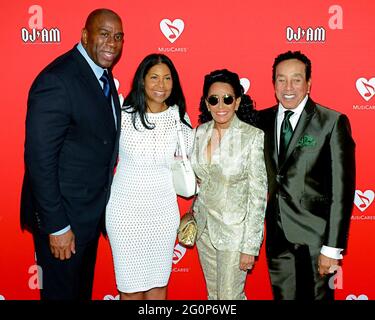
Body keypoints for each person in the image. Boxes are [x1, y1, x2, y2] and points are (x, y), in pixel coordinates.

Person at [20, 9, 124, 300]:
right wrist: (57, 226)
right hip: (63, 220)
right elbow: (40, 160)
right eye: (104, 34)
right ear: (84, 35)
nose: (112, 43)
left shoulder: (100, 76)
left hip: (88, 218)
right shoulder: (59, 79)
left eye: (118, 37)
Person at [257, 51, 356, 300]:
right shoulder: (261, 120)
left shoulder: (331, 122)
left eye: (296, 79)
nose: (288, 87)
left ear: (309, 83)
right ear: (274, 84)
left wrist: (332, 248)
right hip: (277, 240)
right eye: (281, 79)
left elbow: (341, 191)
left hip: (317, 242)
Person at [105, 53, 194, 300]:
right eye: (154, 77)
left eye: (167, 78)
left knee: (158, 287)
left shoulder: (179, 118)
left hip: (163, 213)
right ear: (142, 80)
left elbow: (191, 157)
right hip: (125, 213)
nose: (161, 85)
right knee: (130, 288)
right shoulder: (122, 114)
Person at [190, 69, 268, 300]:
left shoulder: (252, 136)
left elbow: (257, 195)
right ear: (207, 103)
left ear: (237, 102)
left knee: (230, 297)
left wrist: (250, 246)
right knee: (213, 296)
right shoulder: (199, 133)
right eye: (213, 99)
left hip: (235, 233)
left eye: (228, 99)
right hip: (204, 229)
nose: (220, 105)